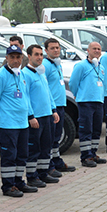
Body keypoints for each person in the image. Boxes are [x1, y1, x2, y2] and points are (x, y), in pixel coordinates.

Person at [0, 44, 39, 197]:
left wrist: (30, 116)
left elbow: (26, 98)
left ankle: (18, 182)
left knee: (22, 154)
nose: (16, 60)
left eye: (18, 57)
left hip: (22, 123)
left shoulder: (21, 74)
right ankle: (8, 186)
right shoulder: (0, 75)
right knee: (9, 155)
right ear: (6, 58)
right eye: (12, 57)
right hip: (7, 123)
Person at [22, 44, 60, 187]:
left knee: (46, 146)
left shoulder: (41, 72)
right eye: (36, 55)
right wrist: (31, 116)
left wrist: (53, 110)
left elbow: (48, 93)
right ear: (29, 56)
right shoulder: (25, 74)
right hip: (36, 118)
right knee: (34, 148)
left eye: (40, 55)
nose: (39, 57)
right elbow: (25, 97)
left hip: (47, 116)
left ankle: (43, 173)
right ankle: (32, 176)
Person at [68, 42, 106, 168]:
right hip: (86, 102)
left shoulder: (100, 67)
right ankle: (85, 156)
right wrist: (78, 95)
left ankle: (93, 153)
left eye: (99, 49)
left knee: (96, 130)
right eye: (94, 49)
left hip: (98, 102)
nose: (96, 51)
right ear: (88, 51)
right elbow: (73, 82)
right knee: (86, 129)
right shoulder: (81, 66)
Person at [44, 38, 75, 173]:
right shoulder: (45, 65)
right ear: (46, 50)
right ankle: (49, 165)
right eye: (52, 48)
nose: (56, 50)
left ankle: (57, 161)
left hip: (60, 104)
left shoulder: (57, 64)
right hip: (52, 106)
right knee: (51, 138)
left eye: (57, 47)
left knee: (57, 137)